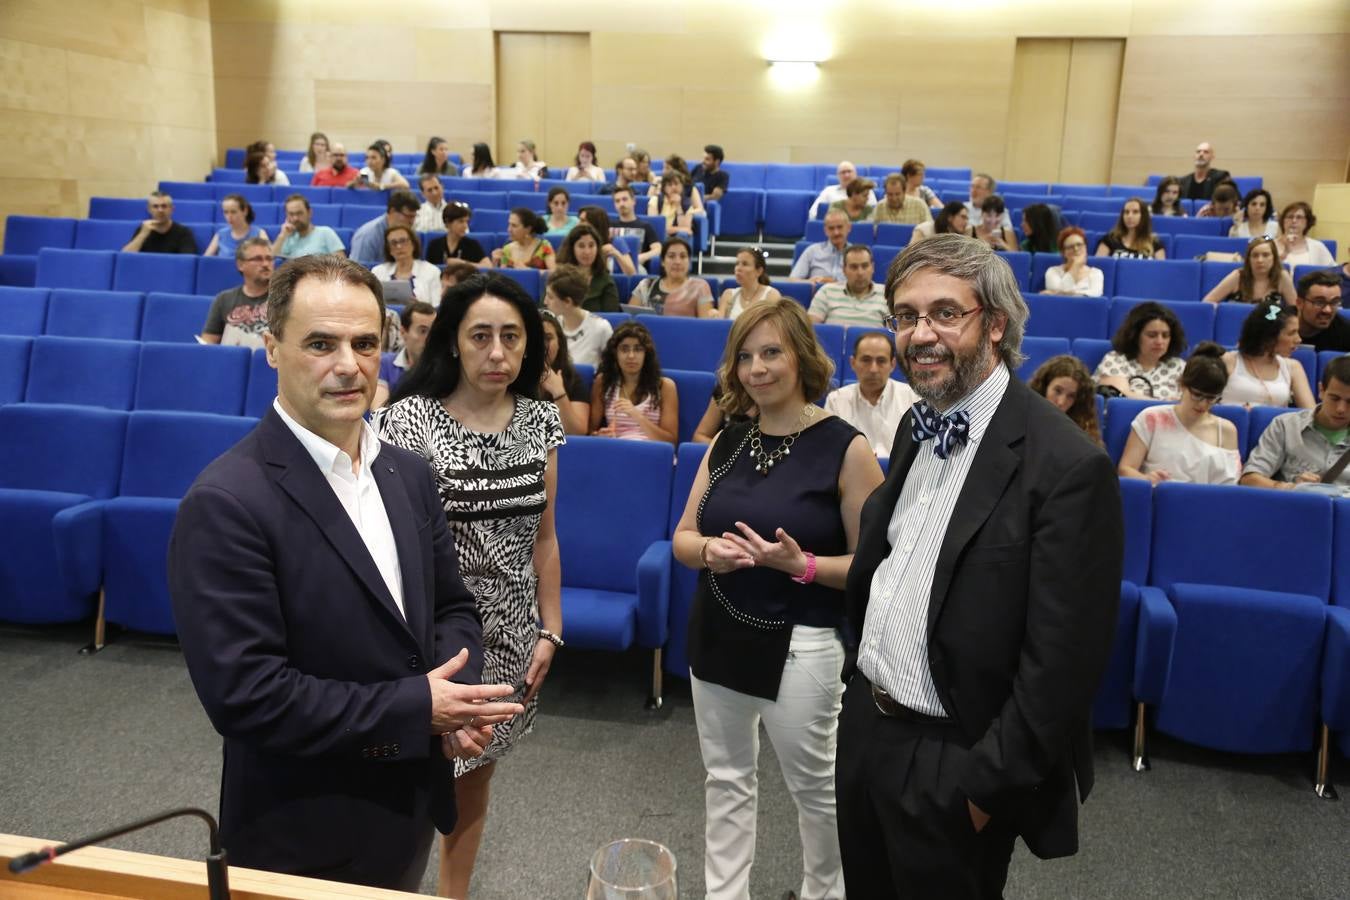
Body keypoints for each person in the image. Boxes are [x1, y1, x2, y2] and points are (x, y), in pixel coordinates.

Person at [168, 254, 523, 892]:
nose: (348, 366)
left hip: (408, 804)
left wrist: (459, 700)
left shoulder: (406, 473)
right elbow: (248, 695)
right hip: (306, 833)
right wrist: (420, 707)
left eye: (364, 343)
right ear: (271, 349)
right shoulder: (226, 502)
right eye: (320, 344)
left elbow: (452, 607)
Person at [837, 234, 1121, 899]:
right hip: (868, 732)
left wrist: (982, 789)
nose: (920, 334)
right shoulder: (916, 425)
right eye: (905, 316)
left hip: (953, 764)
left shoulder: (1068, 467)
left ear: (994, 324)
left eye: (944, 313)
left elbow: (1063, 664)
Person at [671, 298, 883, 900]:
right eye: (745, 356)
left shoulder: (847, 448)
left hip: (802, 643)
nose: (757, 369)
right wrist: (710, 552)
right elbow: (684, 538)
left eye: (771, 353)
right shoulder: (727, 441)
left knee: (816, 791)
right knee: (727, 780)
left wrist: (805, 565)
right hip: (718, 630)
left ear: (802, 359)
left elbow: (875, 568)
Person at [374, 274, 563, 899]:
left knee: (473, 775)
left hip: (509, 640)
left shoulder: (541, 421)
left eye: (512, 337)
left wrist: (550, 628)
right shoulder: (407, 422)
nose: (498, 353)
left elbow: (544, 538)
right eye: (480, 336)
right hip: (425, 638)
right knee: (402, 773)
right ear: (454, 342)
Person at [1119, 343, 1241, 485]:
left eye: (1211, 398)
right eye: (1197, 395)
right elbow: (1125, 469)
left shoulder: (1227, 431)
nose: (1202, 404)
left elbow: (1229, 488)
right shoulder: (1151, 418)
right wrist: (1147, 479)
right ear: (1182, 385)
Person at [1240, 355, 1350, 492]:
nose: (1341, 409)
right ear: (1321, 390)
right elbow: (1249, 480)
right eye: (1334, 398)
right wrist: (1292, 488)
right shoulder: (1285, 426)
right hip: (1295, 509)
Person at [825, 331, 919, 456]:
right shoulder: (836, 400)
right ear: (853, 363)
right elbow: (830, 450)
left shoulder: (912, 398)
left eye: (881, 361)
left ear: (892, 364)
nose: (873, 369)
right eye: (866, 360)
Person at [589, 321, 678, 443]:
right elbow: (589, 433)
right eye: (624, 349)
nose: (631, 356)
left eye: (638, 349)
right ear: (615, 353)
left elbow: (671, 442)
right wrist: (600, 436)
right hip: (617, 450)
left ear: (646, 354)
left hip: (651, 452)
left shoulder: (665, 386)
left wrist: (637, 416)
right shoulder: (603, 382)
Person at [1220, 303, 1316, 409]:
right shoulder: (1228, 361)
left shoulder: (1293, 367)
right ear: (1269, 337)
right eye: (1291, 333)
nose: (1299, 340)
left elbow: (1310, 414)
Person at [1094, 301, 1188, 400]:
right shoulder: (1115, 360)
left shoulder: (1180, 367)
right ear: (1135, 336)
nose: (1159, 341)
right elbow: (1118, 398)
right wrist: (1167, 405)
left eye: (1165, 336)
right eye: (1152, 335)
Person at [200, 237, 273, 348]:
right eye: (258, 259)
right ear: (240, 265)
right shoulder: (223, 299)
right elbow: (208, 342)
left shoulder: (285, 299)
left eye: (269, 259)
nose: (265, 264)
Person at [543, 264, 613, 366]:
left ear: (567, 301)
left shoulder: (601, 328)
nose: (545, 301)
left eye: (550, 297)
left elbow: (611, 368)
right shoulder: (551, 326)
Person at [373, 300, 435, 409]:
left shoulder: (444, 369)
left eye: (434, 331)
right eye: (422, 331)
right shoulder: (385, 363)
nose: (430, 338)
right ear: (403, 332)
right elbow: (380, 412)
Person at [631, 237, 714, 317]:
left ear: (689, 261)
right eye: (671, 256)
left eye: (683, 256)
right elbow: (630, 320)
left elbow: (706, 327)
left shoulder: (700, 287)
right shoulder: (646, 285)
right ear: (662, 261)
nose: (677, 262)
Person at [1028, 355, 1101, 444]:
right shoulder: (1023, 416)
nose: (1061, 402)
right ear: (1044, 387)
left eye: (1071, 396)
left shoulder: (1082, 431)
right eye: (1058, 391)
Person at [539, 310, 591, 435]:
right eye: (534, 338)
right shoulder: (510, 377)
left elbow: (576, 433)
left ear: (559, 343)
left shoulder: (573, 379)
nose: (541, 345)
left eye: (548, 338)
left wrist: (558, 393)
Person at [809, 244, 888, 326]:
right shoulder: (827, 291)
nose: (860, 273)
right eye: (854, 267)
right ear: (844, 270)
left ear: (872, 267)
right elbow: (810, 329)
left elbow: (894, 333)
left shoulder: (886, 294)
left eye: (865, 266)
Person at [1202, 237, 1296, 305]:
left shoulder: (1282, 277)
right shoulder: (1238, 276)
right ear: (1248, 259)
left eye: (1265, 255)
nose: (1260, 260)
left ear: (1274, 258)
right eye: (1255, 255)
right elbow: (1207, 303)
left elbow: (1295, 310)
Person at [371, 226, 443, 306]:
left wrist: (419, 306)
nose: (399, 246)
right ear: (389, 249)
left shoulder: (431, 271)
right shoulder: (378, 271)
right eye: (393, 243)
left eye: (403, 241)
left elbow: (436, 306)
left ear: (413, 244)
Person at [558, 223, 620, 313]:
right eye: (581, 246)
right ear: (572, 249)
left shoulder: (606, 282)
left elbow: (612, 317)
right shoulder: (558, 279)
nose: (587, 252)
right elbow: (547, 312)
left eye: (591, 246)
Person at [350, 191, 420, 266]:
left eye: (414, 216)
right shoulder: (367, 236)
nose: (412, 221)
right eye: (408, 216)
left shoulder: (409, 230)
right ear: (392, 211)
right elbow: (357, 272)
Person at [273, 194, 346, 260]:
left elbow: (342, 263)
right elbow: (271, 260)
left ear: (309, 212)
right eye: (291, 214)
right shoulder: (287, 237)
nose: (295, 218)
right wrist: (282, 236)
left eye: (299, 213)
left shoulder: (326, 232)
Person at [121, 191, 198, 254]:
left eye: (164, 206)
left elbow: (187, 261)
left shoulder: (184, 232)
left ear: (172, 209)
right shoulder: (142, 230)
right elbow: (125, 257)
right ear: (149, 210)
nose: (160, 210)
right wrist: (143, 235)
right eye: (155, 206)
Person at [719, 246, 781, 320]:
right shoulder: (728, 295)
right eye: (737, 263)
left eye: (745, 264)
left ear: (759, 271)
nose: (738, 268)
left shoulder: (771, 295)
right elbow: (719, 327)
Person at [1293, 269, 1349, 352]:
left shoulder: (1346, 333)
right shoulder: (1278, 327)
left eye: (1334, 302)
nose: (1327, 310)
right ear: (1299, 303)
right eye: (1319, 302)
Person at [791, 209, 851, 284]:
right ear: (825, 231)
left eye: (839, 227)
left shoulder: (857, 254)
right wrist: (809, 282)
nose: (836, 232)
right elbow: (792, 280)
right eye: (831, 228)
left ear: (849, 227)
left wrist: (835, 282)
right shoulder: (812, 251)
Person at [609, 185, 662, 269]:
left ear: (633, 201)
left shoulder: (645, 226)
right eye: (617, 201)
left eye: (625, 199)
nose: (621, 204)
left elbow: (658, 249)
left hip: (637, 266)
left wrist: (643, 257)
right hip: (613, 266)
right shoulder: (609, 226)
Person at [1042, 226, 1105, 297]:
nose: (1076, 249)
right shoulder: (1053, 271)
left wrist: (1062, 293)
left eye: (1079, 245)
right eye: (1070, 247)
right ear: (1063, 252)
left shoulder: (1096, 273)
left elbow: (1094, 296)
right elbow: (1058, 299)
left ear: (1086, 248)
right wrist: (1075, 266)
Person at [1096, 198, 1165, 259]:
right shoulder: (1110, 239)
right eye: (1126, 212)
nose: (1129, 216)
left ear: (1144, 216)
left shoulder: (1155, 243)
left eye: (1135, 212)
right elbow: (1098, 267)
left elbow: (1161, 270)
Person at [425, 203, 489, 268]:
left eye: (467, 222)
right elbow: (427, 269)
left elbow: (488, 266)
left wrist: (463, 263)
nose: (465, 226)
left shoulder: (472, 244)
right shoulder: (434, 245)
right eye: (461, 221)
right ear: (448, 222)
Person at [204, 193, 268, 257]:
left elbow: (270, 257)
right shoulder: (220, 234)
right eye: (225, 212)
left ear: (245, 211)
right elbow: (206, 260)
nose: (229, 216)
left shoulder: (259, 233)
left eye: (233, 212)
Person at [492, 208, 556, 271]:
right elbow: (502, 276)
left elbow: (554, 273)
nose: (509, 230)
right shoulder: (507, 249)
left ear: (528, 229)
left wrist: (528, 271)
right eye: (509, 224)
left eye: (514, 226)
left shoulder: (544, 247)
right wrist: (495, 264)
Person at [1275, 202, 1336, 267]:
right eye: (1290, 217)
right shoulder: (1270, 245)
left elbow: (1333, 270)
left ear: (1307, 222)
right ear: (1282, 220)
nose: (1294, 221)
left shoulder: (1318, 247)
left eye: (1299, 217)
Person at [649, 171, 703, 238]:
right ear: (664, 188)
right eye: (669, 185)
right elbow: (654, 226)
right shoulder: (655, 200)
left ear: (682, 186)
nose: (673, 187)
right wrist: (677, 229)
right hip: (657, 238)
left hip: (675, 239)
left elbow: (686, 229)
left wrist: (678, 206)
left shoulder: (686, 204)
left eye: (676, 184)